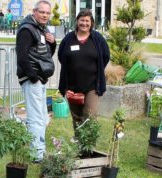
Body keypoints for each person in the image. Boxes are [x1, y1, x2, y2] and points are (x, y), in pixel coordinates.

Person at [16, 0, 56, 162]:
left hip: (40, 79)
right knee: (35, 117)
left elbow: (45, 55)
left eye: (47, 13)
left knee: (43, 116)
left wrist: (52, 43)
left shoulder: (41, 29)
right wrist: (33, 76)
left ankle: (39, 150)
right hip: (32, 79)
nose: (45, 15)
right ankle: (36, 154)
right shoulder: (27, 30)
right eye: (42, 12)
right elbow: (22, 56)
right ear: (34, 12)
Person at [58, 9, 110, 129]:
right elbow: (62, 56)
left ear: (91, 23)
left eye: (87, 21)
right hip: (72, 86)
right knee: (77, 118)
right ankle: (80, 144)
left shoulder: (97, 38)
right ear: (77, 21)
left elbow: (105, 56)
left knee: (90, 117)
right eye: (82, 20)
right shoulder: (68, 39)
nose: (84, 23)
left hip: (92, 86)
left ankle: (89, 145)